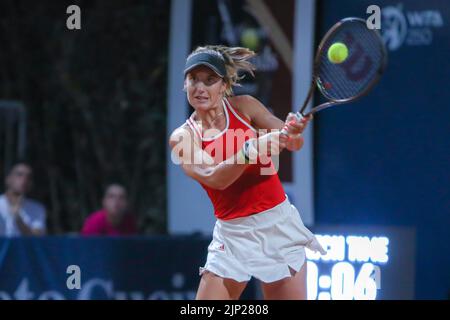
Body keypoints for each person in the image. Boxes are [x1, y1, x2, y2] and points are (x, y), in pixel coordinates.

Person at [169, 45, 326, 300]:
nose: (200, 87)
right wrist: (251, 149)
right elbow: (215, 178)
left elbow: (293, 143)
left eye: (210, 80)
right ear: (185, 84)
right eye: (193, 79)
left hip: (278, 225)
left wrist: (294, 131)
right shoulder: (182, 137)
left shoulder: (245, 106)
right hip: (232, 235)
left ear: (224, 85)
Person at [0, 162, 46, 236]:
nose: (24, 179)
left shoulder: (37, 208)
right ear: (8, 179)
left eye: (29, 177)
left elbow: (37, 239)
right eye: (19, 175)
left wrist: (18, 218)